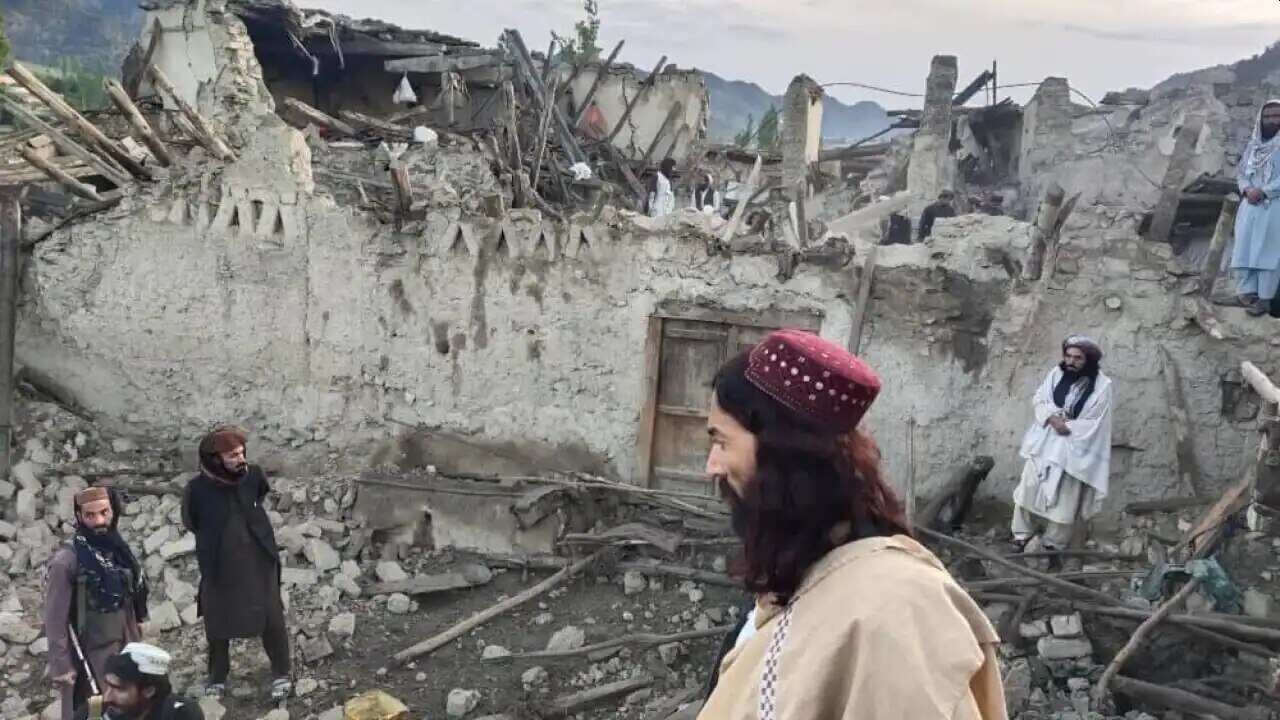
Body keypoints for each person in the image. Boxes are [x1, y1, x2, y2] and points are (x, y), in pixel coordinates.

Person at [698, 329, 1006, 719]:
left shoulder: (893, 614)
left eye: (722, 442)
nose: (711, 466)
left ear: (782, 456)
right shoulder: (806, 566)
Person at [181, 425, 291, 702]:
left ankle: (281, 672)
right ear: (215, 460)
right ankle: (218, 677)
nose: (240, 460)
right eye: (232, 456)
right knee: (217, 620)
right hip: (219, 564)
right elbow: (191, 521)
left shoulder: (252, 475)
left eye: (241, 453)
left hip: (258, 559)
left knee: (271, 616)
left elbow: (260, 494)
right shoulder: (196, 489)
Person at [44, 486, 149, 720]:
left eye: (104, 512)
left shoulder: (118, 550)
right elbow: (54, 620)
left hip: (126, 642)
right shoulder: (67, 562)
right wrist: (61, 666)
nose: (99, 521)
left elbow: (132, 593)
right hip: (91, 654)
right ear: (79, 517)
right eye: (90, 515)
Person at [1011, 336, 1113, 554]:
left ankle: (1053, 544)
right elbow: (1040, 398)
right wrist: (1051, 417)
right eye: (1068, 356)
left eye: (1078, 358)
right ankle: (1021, 535)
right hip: (1045, 443)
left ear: (1089, 360)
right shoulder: (1056, 374)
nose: (1071, 361)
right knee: (1027, 488)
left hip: (1074, 449)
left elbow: (1097, 421)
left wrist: (1068, 426)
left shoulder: (1103, 386)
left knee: (1066, 499)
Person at [1233, 100, 1280, 316]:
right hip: (1249, 206)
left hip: (1273, 206)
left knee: (1267, 254)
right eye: (1268, 116)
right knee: (1244, 248)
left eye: (1277, 116)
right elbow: (1242, 173)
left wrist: (1263, 191)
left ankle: (1265, 300)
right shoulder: (1253, 147)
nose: (1272, 120)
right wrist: (1247, 189)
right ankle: (1246, 294)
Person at [74, 643, 204, 720]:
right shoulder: (93, 711)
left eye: (118, 689)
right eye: (107, 685)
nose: (107, 696)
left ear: (148, 691)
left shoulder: (181, 714)